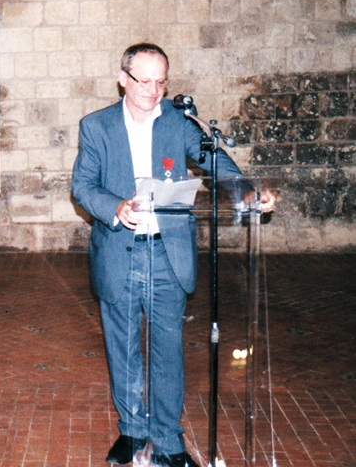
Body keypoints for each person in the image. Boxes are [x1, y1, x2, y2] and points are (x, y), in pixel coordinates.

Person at [71, 43, 275, 467]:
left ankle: (167, 439)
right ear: (123, 79)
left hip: (167, 253)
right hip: (119, 251)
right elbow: (83, 185)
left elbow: (215, 161)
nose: (153, 90)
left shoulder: (180, 122)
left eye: (161, 81)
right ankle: (131, 431)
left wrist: (248, 191)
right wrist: (116, 207)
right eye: (144, 80)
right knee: (122, 347)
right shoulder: (96, 126)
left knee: (168, 350)